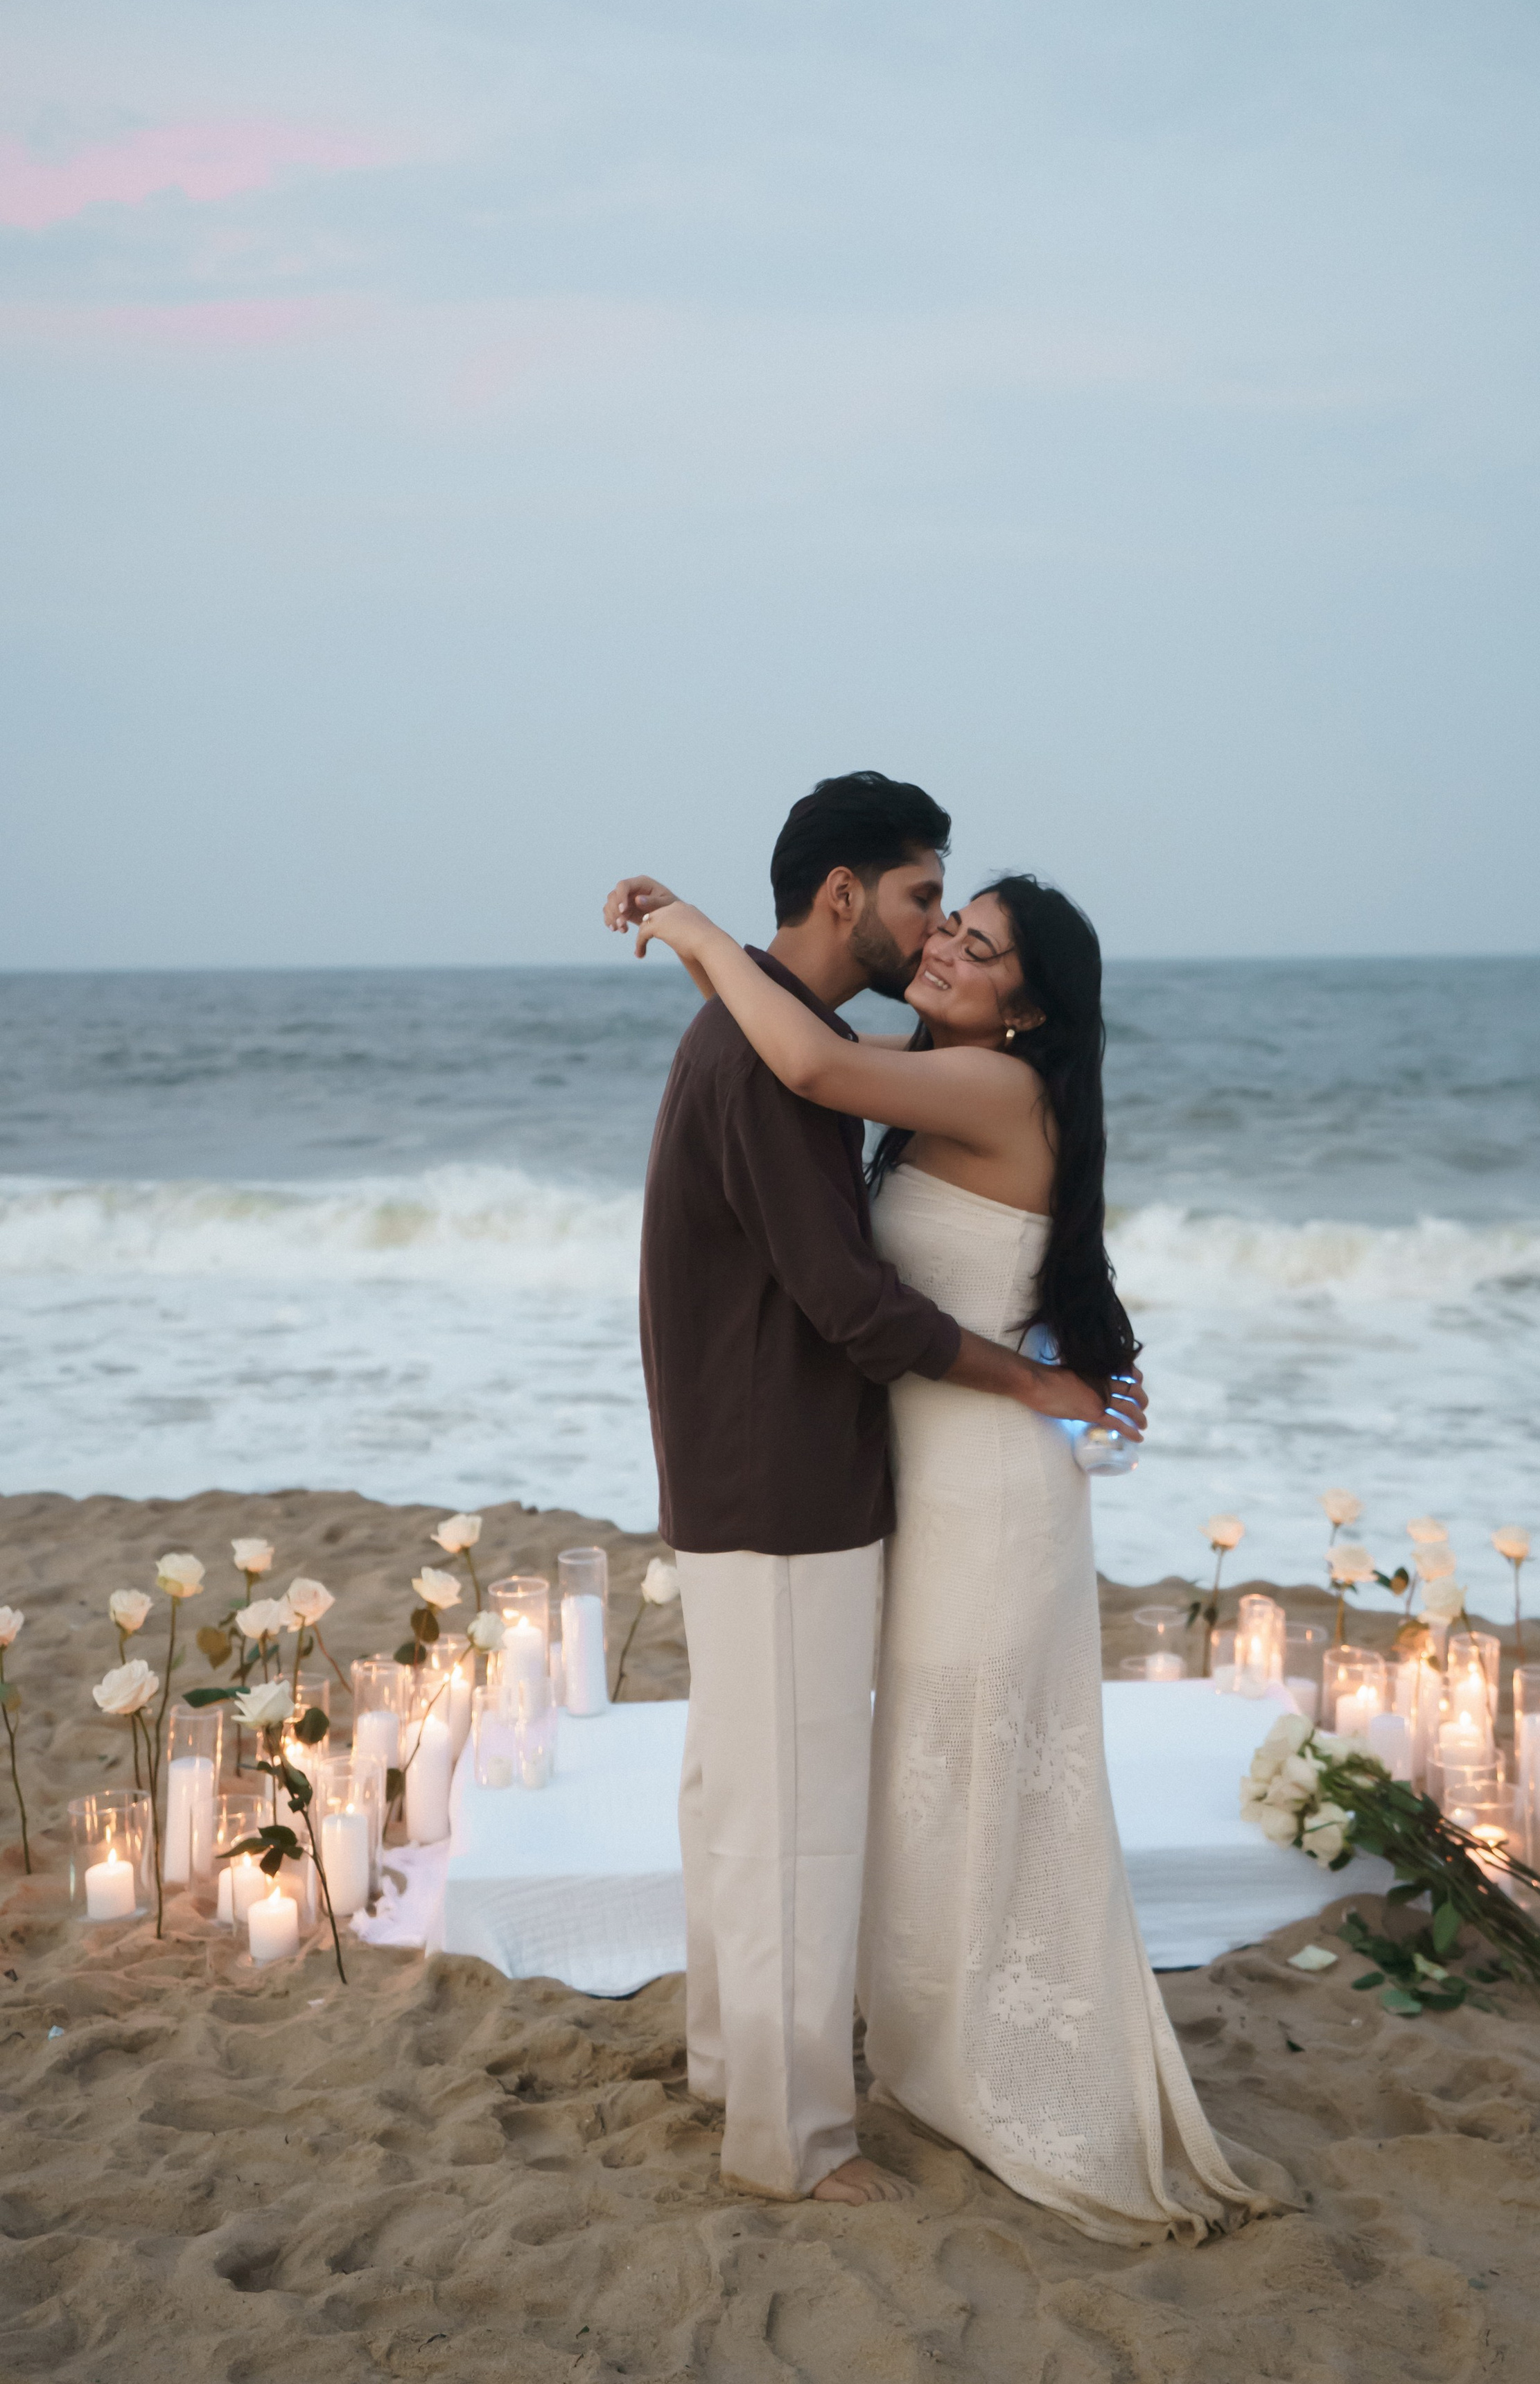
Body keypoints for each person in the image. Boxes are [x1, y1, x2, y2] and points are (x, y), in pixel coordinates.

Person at [621, 857, 1279, 2244]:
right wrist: (706, 964)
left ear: (1027, 1011)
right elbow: (806, 1049)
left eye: (977, 949)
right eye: (948, 926)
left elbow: (796, 1051)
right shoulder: (941, 1083)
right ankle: (934, 2050)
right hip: (929, 1481)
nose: (944, 953)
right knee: (932, 1774)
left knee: (974, 1772)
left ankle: (1007, 2062)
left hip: (986, 1499)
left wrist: (689, 929)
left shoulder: (994, 1089)